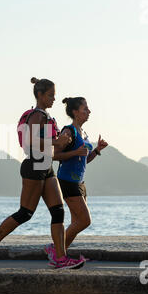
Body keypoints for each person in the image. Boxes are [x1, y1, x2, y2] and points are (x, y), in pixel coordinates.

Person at [0, 78, 86, 269]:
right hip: (35, 166)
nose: (54, 99)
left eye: (54, 95)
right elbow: (30, 142)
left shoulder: (46, 116)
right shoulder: (38, 115)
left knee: (58, 211)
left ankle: (60, 258)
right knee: (25, 213)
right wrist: (57, 142)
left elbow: (50, 141)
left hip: (46, 167)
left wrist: (63, 139)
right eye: (50, 95)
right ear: (39, 95)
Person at [44, 97, 108, 263]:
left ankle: (59, 255)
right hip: (66, 181)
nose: (89, 111)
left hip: (79, 183)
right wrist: (74, 153)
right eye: (85, 108)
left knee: (76, 222)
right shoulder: (68, 131)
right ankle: (56, 249)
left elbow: (84, 160)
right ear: (75, 112)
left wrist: (97, 151)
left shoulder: (83, 133)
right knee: (84, 220)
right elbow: (54, 155)